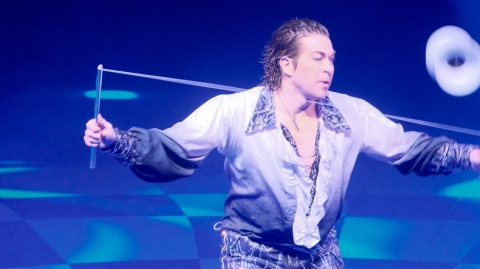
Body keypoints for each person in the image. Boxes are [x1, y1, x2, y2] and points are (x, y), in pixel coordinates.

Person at [84, 19, 480, 268]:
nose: (329, 68)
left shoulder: (352, 113)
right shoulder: (233, 111)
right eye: (318, 58)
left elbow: (408, 148)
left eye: (332, 59)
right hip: (251, 253)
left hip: (321, 253)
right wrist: (115, 139)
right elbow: (171, 149)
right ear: (286, 64)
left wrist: (471, 156)